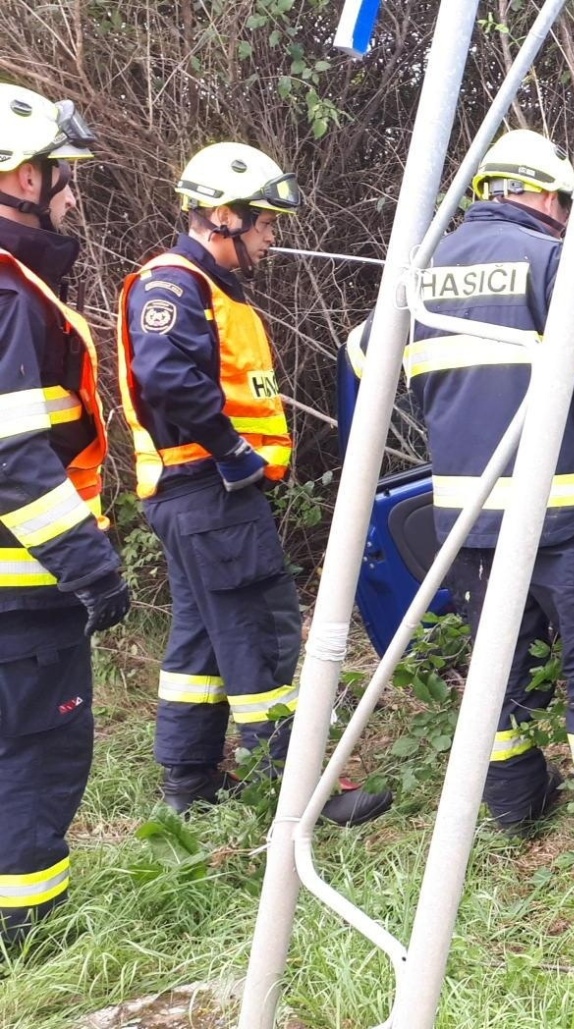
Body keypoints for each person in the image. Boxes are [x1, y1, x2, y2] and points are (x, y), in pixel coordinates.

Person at [370, 128, 574, 870]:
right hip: (564, 523)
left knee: (500, 675)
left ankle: (515, 807)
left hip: (469, 527)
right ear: (537, 191)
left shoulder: (422, 271)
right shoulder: (553, 259)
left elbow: (389, 378)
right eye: (562, 200)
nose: (566, 214)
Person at [115, 142, 389, 826]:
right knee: (262, 632)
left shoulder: (210, 291)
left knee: (200, 641)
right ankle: (297, 791)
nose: (271, 236)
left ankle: (191, 780)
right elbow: (168, 378)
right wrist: (233, 451)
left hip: (198, 496)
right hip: (212, 493)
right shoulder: (176, 284)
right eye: (263, 221)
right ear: (220, 216)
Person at [0, 85, 130, 942]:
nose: (70, 195)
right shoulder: (11, 298)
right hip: (23, 593)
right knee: (34, 760)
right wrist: (90, 567)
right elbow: (13, 459)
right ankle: (30, 932)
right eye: (58, 175)